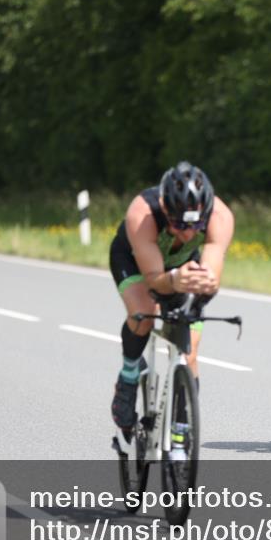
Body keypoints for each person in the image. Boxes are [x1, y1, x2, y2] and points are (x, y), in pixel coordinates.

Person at [108, 161, 234, 430]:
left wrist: (204, 283)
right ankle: (129, 375)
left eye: (195, 225)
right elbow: (154, 282)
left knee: (189, 351)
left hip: (183, 264)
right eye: (178, 225)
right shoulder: (142, 213)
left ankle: (181, 430)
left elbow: (211, 278)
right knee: (142, 314)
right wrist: (175, 280)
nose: (188, 233)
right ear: (166, 209)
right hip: (135, 261)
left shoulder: (219, 217)